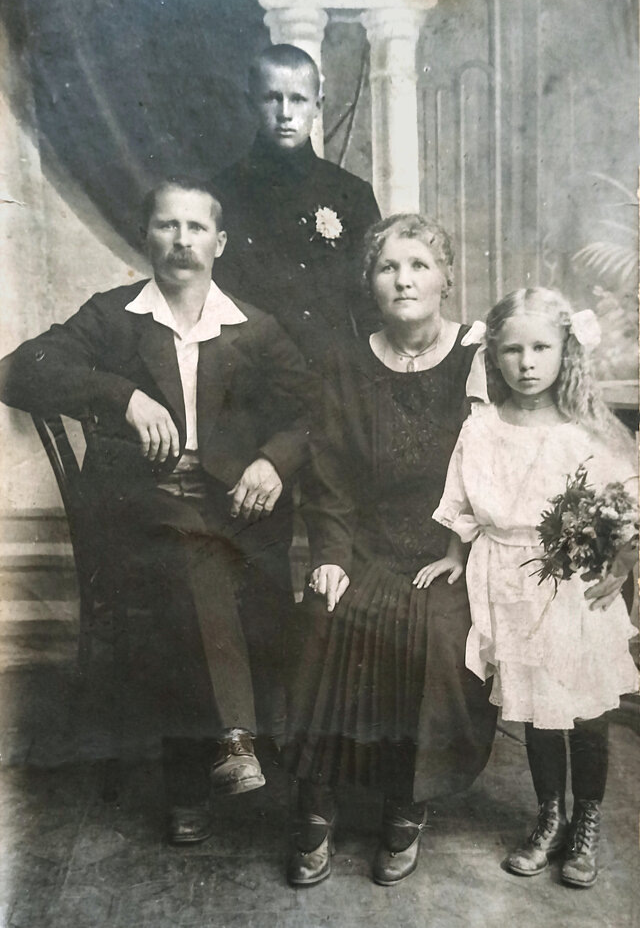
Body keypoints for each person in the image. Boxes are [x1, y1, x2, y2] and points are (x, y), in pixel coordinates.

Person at [0, 175, 310, 846]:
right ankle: (230, 742)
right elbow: (17, 370)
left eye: (197, 227)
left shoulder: (254, 329)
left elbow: (313, 411)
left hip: (233, 508)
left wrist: (273, 461)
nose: (182, 240)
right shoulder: (114, 317)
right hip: (138, 509)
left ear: (220, 242)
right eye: (168, 225)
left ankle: (193, 780)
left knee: (208, 566)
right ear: (145, 237)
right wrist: (122, 396)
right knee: (194, 559)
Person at [284, 213, 498, 888]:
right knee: (324, 616)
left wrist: (463, 546)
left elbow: (500, 465)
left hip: (450, 550)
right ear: (370, 283)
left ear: (446, 279)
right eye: (388, 267)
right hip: (366, 547)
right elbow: (329, 477)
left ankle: (408, 800)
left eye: (419, 265)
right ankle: (316, 800)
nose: (403, 279)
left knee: (440, 634)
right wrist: (331, 555)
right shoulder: (345, 363)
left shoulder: (477, 356)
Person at [427, 287, 638, 888]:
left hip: (576, 583)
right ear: (493, 355)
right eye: (513, 350)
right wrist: (453, 555)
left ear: (565, 351)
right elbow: (462, 499)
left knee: (587, 711)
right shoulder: (482, 427)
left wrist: (622, 566)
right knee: (539, 710)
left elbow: (627, 507)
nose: (527, 363)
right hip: (508, 580)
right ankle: (550, 815)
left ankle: (586, 820)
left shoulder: (586, 430)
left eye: (541, 348)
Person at [213, 44, 381, 373]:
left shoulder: (352, 194)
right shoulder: (220, 194)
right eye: (272, 98)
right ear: (250, 103)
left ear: (318, 106)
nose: (285, 113)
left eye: (299, 99)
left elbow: (372, 305)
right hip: (247, 375)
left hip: (332, 377)